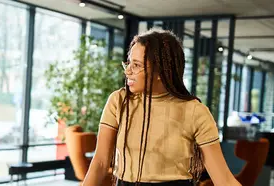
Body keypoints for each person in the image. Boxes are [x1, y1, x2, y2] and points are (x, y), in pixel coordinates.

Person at [83, 29, 241, 186]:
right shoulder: (119, 101)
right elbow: (101, 163)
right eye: (128, 63)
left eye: (136, 65)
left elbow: (224, 179)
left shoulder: (195, 111)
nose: (128, 71)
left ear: (160, 71)